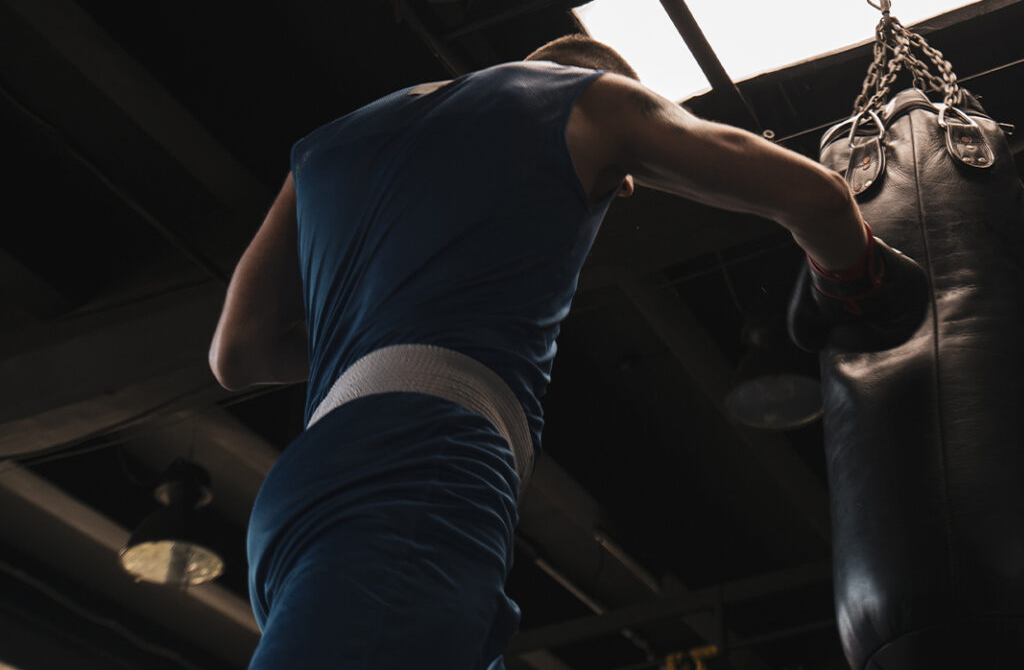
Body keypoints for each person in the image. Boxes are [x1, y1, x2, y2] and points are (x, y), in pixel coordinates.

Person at [207, 34, 926, 669]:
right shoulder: (593, 105)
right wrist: (857, 285)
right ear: (623, 177)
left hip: (303, 491)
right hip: (420, 466)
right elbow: (821, 201)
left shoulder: (325, 147)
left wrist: (380, 333)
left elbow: (236, 356)